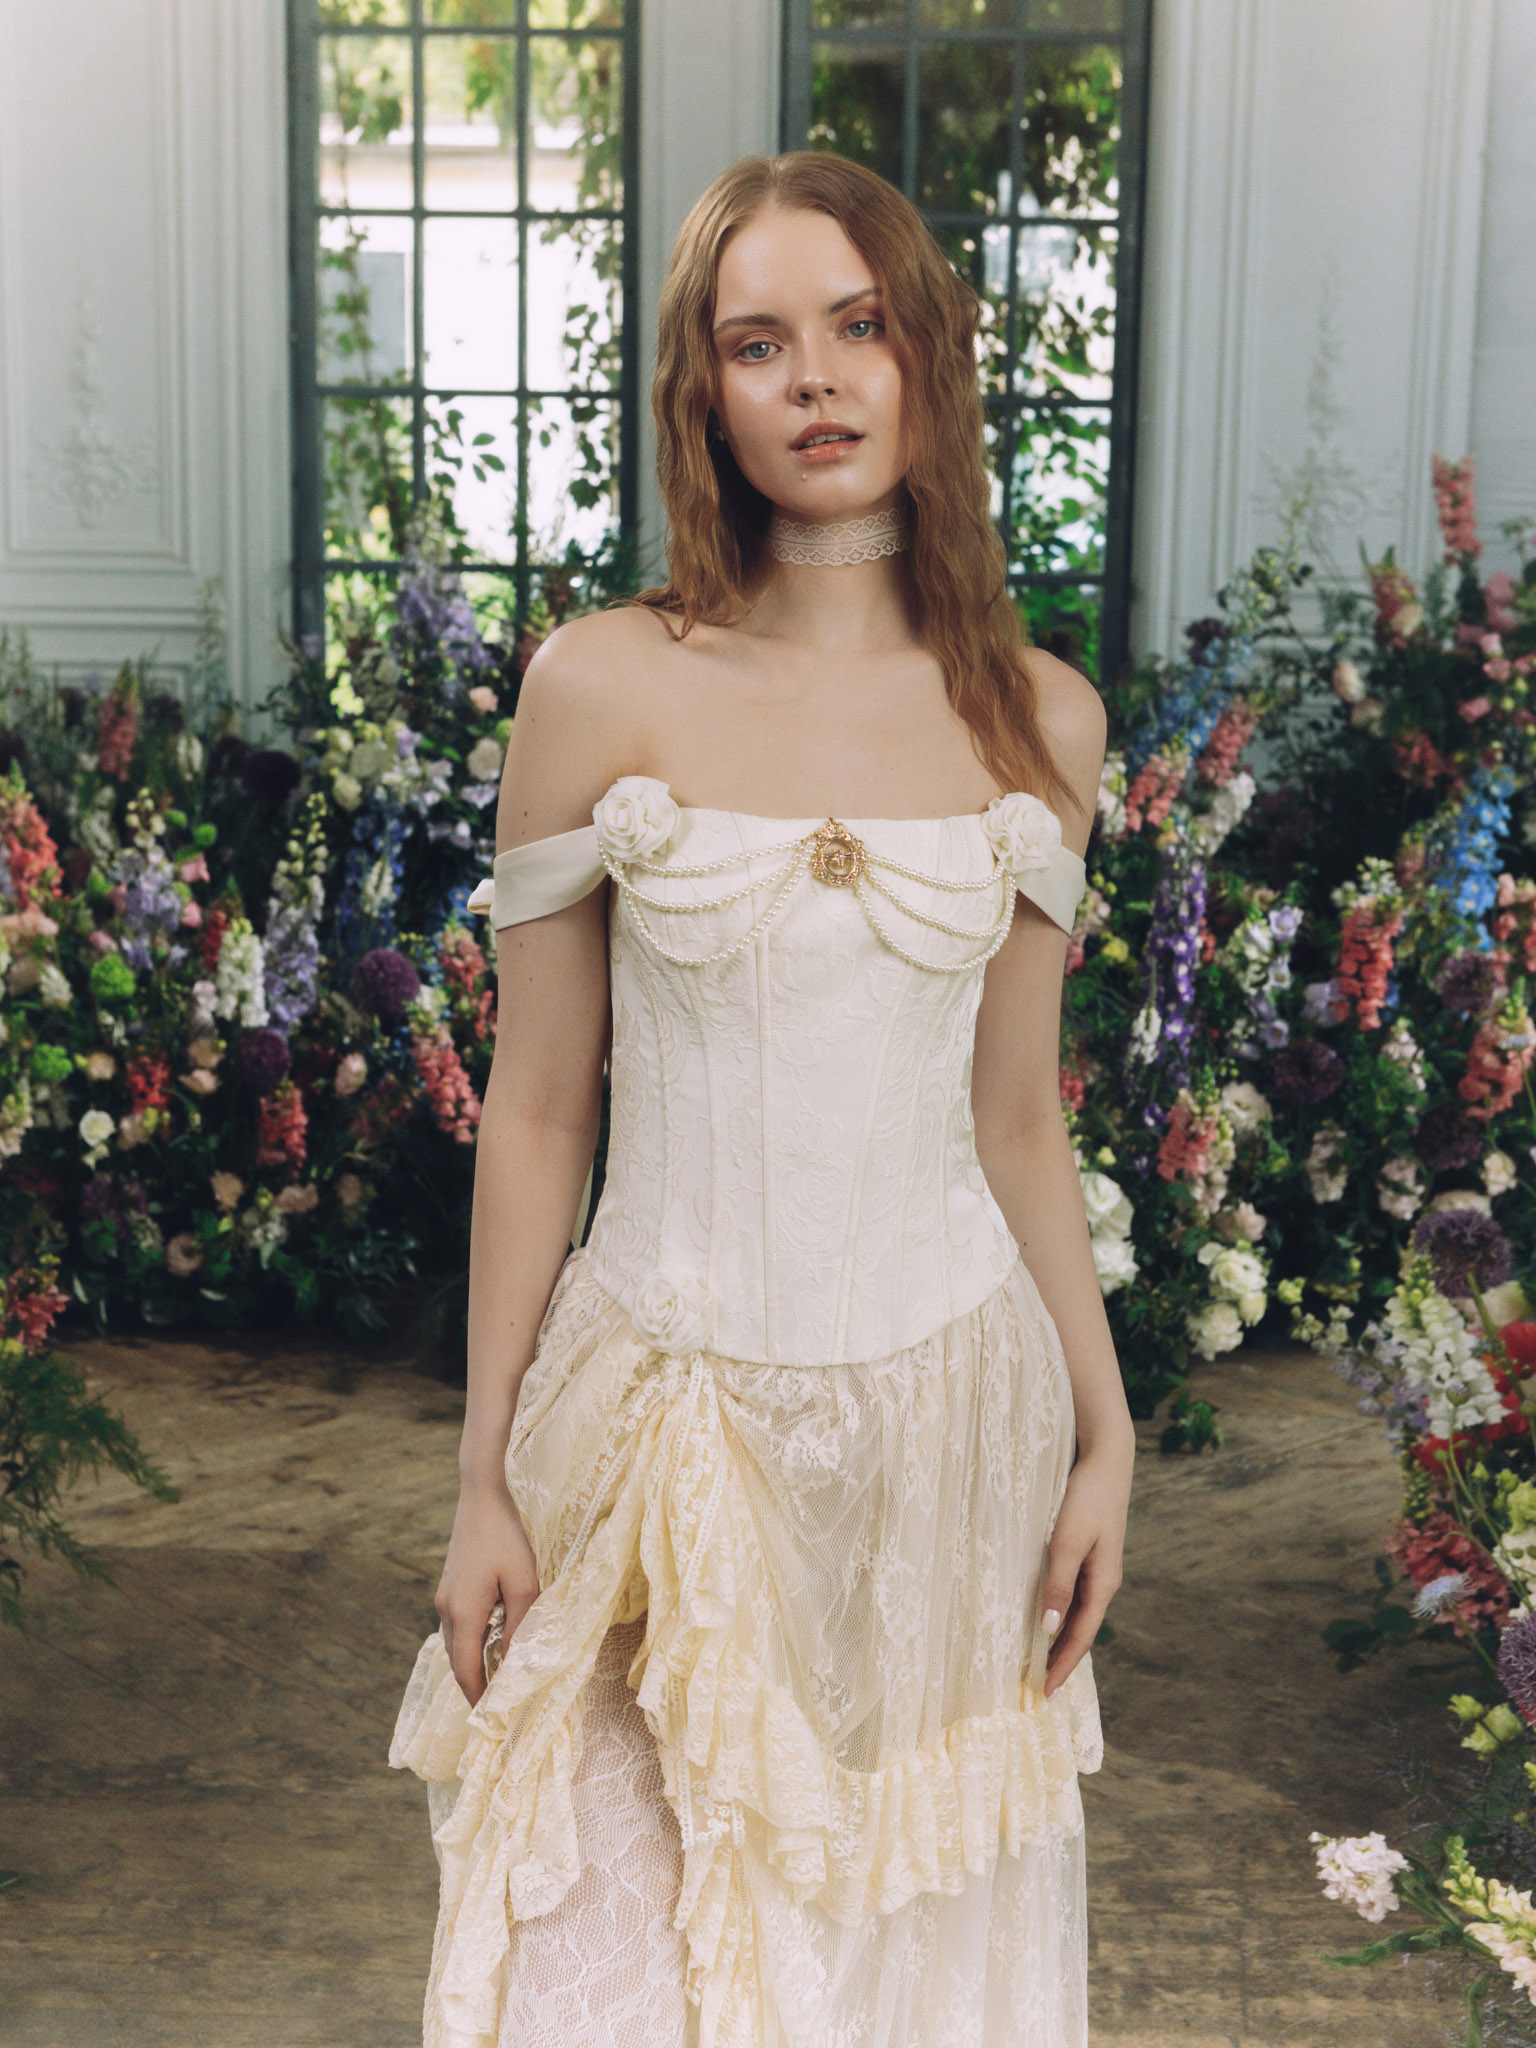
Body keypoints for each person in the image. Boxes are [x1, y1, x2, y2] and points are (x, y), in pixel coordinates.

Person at [391, 150, 1135, 2048]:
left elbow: (1016, 1117)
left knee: (892, 1982)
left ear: (922, 360)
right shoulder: (601, 688)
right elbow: (541, 1109)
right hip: (657, 1424)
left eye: (858, 327)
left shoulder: (1040, 722)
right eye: (757, 341)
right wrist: (482, 1471)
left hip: (947, 1446)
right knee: (599, 1977)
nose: (814, 379)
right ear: (702, 394)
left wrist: (1106, 1440)